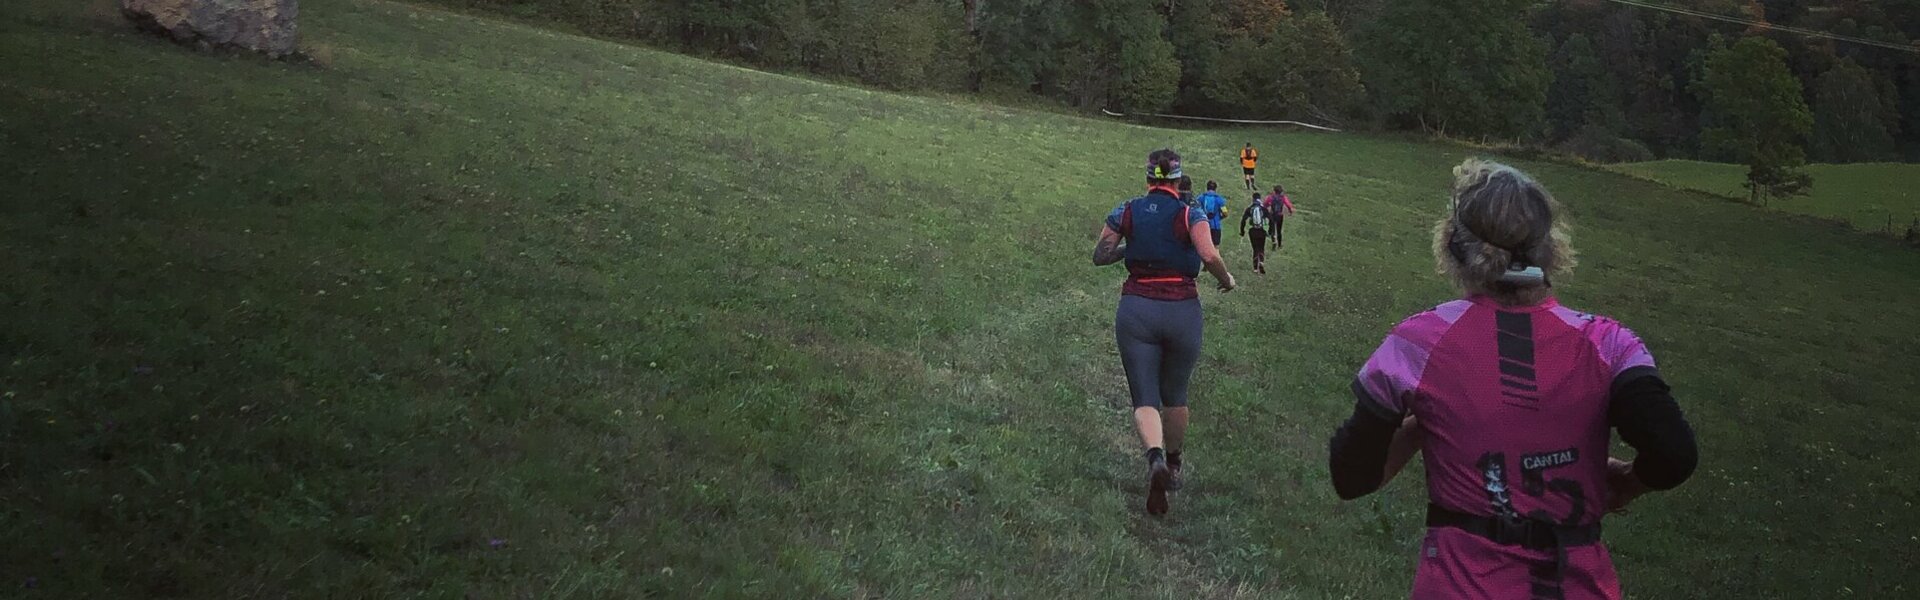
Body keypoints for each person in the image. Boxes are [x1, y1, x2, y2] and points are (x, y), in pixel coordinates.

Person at [1325, 159, 1698, 599]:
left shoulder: (1419, 343)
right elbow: (1674, 452)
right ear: (1550, 247)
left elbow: (1351, 476)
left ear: (1453, 245)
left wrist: (1427, 422)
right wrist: (1628, 486)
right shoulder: (1609, 342)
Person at [1092, 148, 1236, 516]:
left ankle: (1153, 457)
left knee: (1145, 397)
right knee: (1176, 395)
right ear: (1176, 179)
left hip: (1137, 308)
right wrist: (1227, 280)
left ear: (1147, 179)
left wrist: (1133, 248)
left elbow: (1101, 254)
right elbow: (1208, 255)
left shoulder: (1127, 209)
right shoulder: (1191, 212)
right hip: (1182, 312)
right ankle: (1172, 463)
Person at [1238, 193, 1274, 274]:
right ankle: (1261, 262)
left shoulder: (1250, 208)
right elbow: (1271, 220)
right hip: (1261, 231)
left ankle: (1255, 268)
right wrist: (1270, 231)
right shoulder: (1263, 209)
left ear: (1253, 199)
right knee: (1261, 248)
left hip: (1253, 231)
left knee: (1255, 249)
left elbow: (1243, 220)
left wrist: (1242, 231)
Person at [1262, 185, 1297, 250]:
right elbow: (1288, 205)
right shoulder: (1283, 197)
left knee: (1272, 229)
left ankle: (1274, 241)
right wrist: (1290, 211)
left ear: (1274, 191)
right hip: (1280, 215)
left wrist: (1265, 210)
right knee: (1279, 230)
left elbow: (1265, 204)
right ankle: (1279, 244)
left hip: (1272, 214)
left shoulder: (1271, 197)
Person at [1197, 180, 1229, 246]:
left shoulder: (1201, 197)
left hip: (1204, 225)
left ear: (1207, 187)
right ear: (1215, 188)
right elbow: (1225, 213)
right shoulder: (1219, 199)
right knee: (1215, 247)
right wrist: (1220, 217)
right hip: (1215, 226)